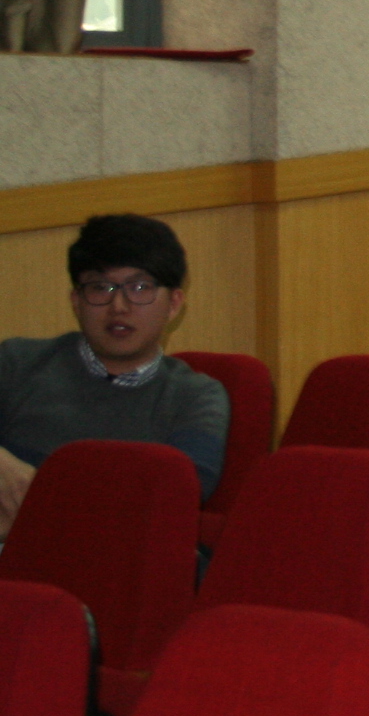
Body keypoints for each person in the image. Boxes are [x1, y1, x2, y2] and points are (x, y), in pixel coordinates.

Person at [0, 214, 229, 535]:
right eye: (100, 287)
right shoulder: (17, 362)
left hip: (118, 551)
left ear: (174, 303)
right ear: (76, 301)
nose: (118, 306)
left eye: (140, 287)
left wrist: (40, 497)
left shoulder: (195, 396)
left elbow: (179, 494)